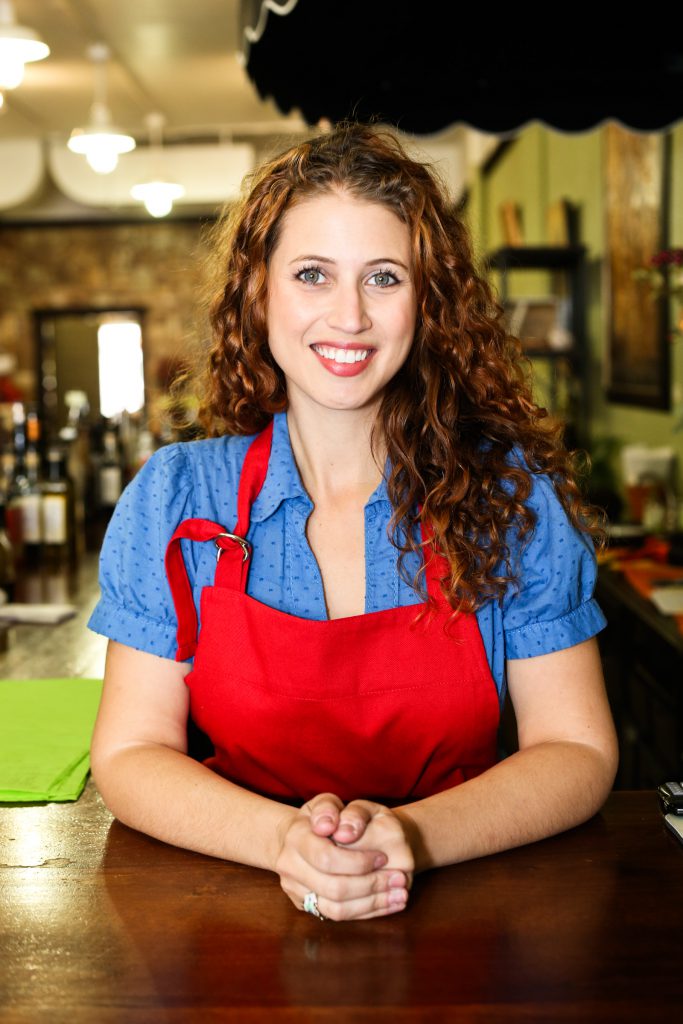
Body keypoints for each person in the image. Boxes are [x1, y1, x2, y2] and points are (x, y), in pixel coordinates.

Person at [88, 123, 618, 923]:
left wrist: (412, 837)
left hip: (467, 911)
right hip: (234, 911)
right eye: (312, 274)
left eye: (383, 278)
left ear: (426, 301)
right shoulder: (176, 497)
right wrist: (284, 842)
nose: (349, 316)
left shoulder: (511, 497)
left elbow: (575, 749)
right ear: (259, 291)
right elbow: (131, 752)